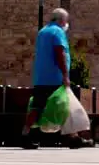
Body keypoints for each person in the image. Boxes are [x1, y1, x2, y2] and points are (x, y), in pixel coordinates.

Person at [20, 8, 92, 149]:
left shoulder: (42, 32)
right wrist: (65, 75)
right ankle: (73, 138)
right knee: (65, 106)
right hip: (54, 78)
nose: (67, 24)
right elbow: (59, 53)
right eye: (66, 21)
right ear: (62, 20)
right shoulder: (58, 32)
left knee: (37, 107)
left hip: (40, 78)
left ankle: (25, 135)